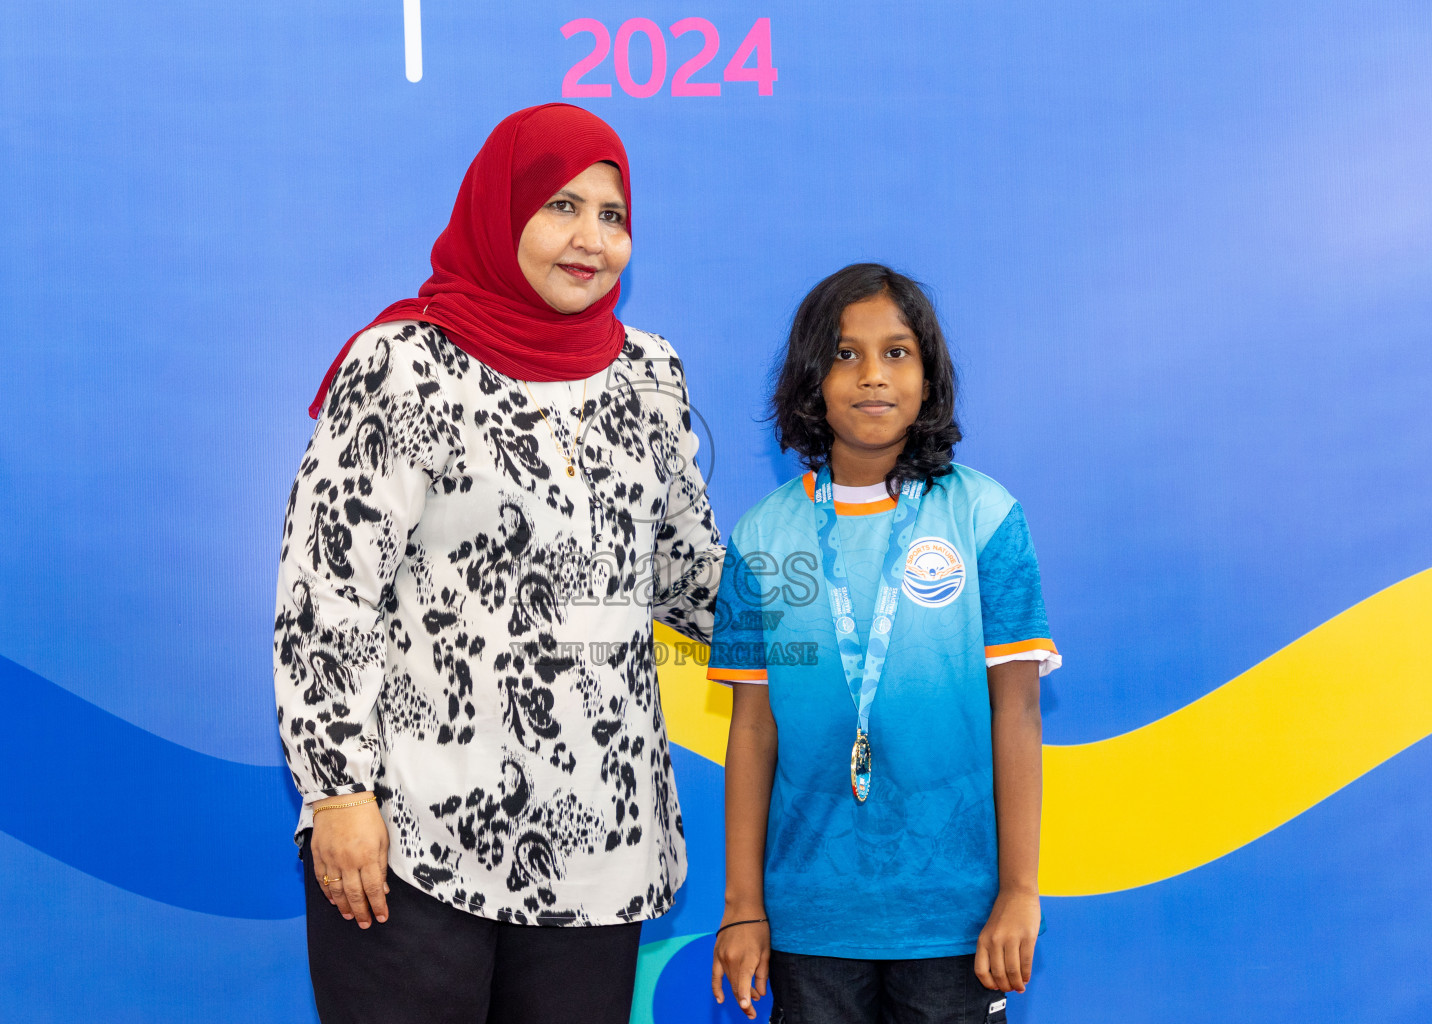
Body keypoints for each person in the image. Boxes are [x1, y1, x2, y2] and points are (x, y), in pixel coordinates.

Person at [272, 103, 722, 1024]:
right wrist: (338, 791)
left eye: (613, 214)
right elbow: (328, 593)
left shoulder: (650, 372)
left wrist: (852, 599)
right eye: (561, 205)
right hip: (412, 839)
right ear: (499, 208)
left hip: (600, 839)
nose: (590, 239)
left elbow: (685, 574)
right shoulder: (403, 366)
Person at [706, 263, 1059, 1023]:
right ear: (809, 379)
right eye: (845, 354)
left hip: (956, 919)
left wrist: (1019, 890)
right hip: (811, 918)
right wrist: (742, 907)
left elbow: (1019, 714)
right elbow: (753, 728)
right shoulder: (761, 537)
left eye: (897, 352)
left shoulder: (986, 518)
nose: (872, 376)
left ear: (929, 376)